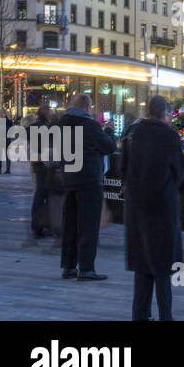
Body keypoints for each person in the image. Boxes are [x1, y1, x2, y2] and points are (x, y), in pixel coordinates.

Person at [122, 96, 184, 321]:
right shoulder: (169, 136)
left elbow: (124, 167)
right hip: (162, 207)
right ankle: (165, 315)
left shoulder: (133, 133)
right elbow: (180, 171)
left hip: (137, 206)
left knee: (142, 263)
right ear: (165, 113)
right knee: (163, 265)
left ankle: (139, 313)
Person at [58, 94, 116, 281]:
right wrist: (107, 131)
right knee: (88, 225)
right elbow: (108, 147)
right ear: (87, 107)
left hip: (70, 179)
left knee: (70, 224)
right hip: (89, 180)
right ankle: (86, 268)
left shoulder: (62, 124)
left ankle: (68, 266)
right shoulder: (89, 125)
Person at [28, 105, 54, 238]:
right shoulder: (48, 127)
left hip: (38, 165)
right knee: (45, 195)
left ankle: (38, 223)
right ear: (45, 112)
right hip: (47, 165)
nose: (52, 112)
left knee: (40, 194)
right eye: (50, 110)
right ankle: (43, 224)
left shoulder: (33, 127)